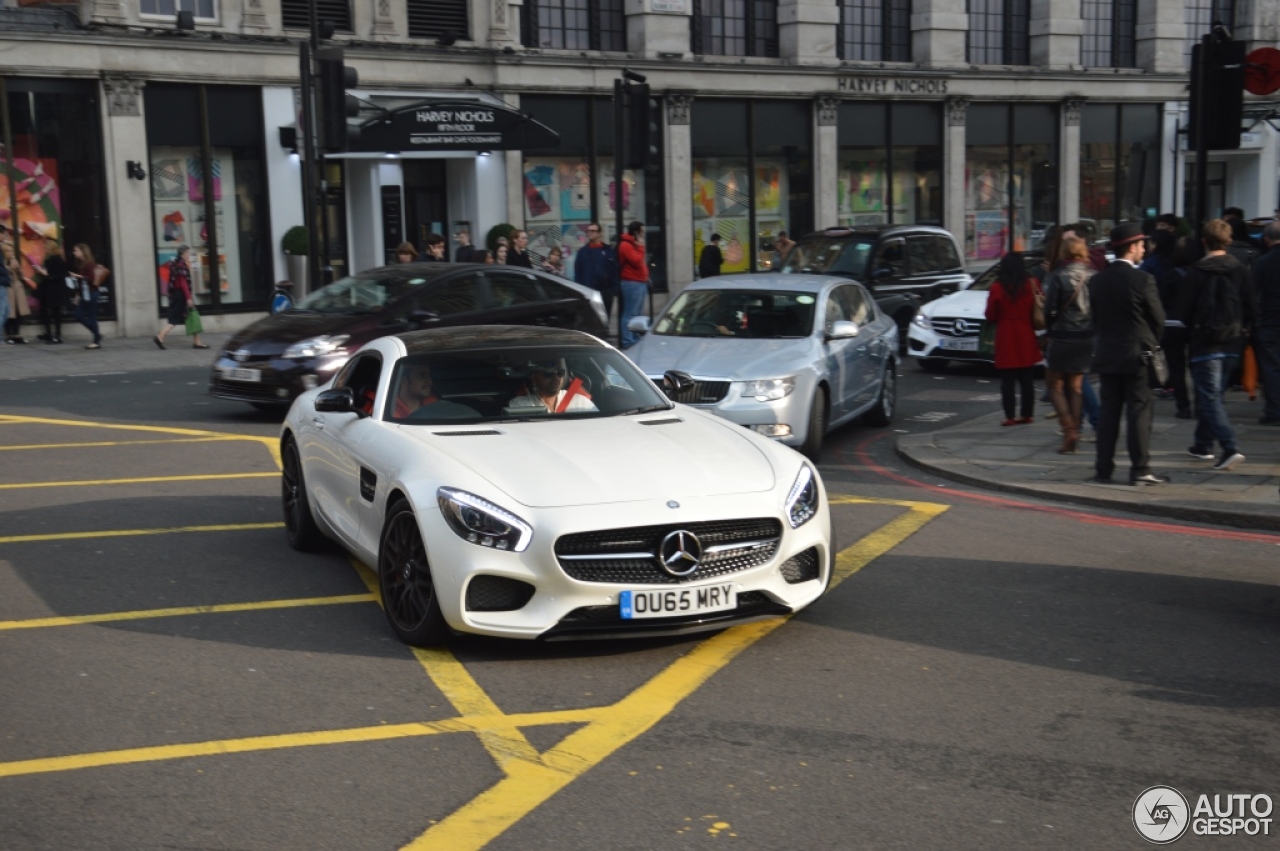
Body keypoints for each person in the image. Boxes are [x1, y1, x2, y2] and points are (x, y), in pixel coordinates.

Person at [1087, 222, 1167, 485]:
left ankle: (1103, 470)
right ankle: (1140, 469)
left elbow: (1096, 319)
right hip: (1137, 356)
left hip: (1107, 354)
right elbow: (1158, 319)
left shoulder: (1097, 281)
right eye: (1142, 245)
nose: (1144, 249)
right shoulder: (1143, 279)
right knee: (1139, 413)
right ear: (1132, 247)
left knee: (1109, 413)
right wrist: (1150, 342)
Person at [1184, 218, 1255, 471]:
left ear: (1204, 241)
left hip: (1205, 344)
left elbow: (1186, 310)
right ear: (1228, 241)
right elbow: (1250, 305)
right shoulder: (1240, 269)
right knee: (1214, 395)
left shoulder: (1195, 271)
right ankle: (1202, 445)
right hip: (1233, 341)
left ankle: (1229, 446)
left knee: (1210, 396)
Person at [1042, 236, 1096, 453]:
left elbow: (1049, 310)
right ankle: (1076, 429)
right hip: (1086, 337)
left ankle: (1069, 430)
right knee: (1075, 386)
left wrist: (1048, 329)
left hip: (1062, 335)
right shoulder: (1093, 275)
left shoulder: (1058, 276)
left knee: (1054, 385)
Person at [984, 252, 1042, 426]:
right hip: (1026, 333)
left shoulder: (997, 287)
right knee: (1027, 379)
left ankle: (1010, 416)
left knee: (1007, 380)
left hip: (1006, 334)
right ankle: (1027, 414)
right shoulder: (1032, 284)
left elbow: (990, 314)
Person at [1154, 236, 1200, 419]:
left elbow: (1161, 301)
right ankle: (1201, 405)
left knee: (1176, 368)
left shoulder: (1169, 275)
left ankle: (1183, 406)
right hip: (1194, 324)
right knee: (1197, 366)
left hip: (1172, 325)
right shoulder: (1199, 274)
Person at [1253, 220, 1280, 426]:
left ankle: (1274, 410)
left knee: (1271, 368)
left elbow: (1253, 294)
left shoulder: (1262, 262)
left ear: (1266, 239)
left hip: (1270, 320)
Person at [154, 244, 207, 350]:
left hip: (177, 294)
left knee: (192, 315)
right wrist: (188, 298)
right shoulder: (181, 266)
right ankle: (160, 337)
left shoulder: (176, 264)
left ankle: (197, 342)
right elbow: (183, 284)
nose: (189, 255)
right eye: (187, 253)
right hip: (181, 295)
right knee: (175, 318)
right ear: (182, 254)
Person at [507, 357, 597, 413]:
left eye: (560, 373)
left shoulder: (581, 402)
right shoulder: (519, 405)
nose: (556, 378)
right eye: (548, 374)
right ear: (534, 378)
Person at [390, 362, 476, 418]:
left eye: (429, 375)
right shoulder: (390, 414)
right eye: (422, 375)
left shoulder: (437, 409)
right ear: (403, 381)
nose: (429, 381)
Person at [573, 222, 618, 323]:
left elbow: (615, 270)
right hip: (589, 292)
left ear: (599, 233)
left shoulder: (608, 251)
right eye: (588, 231)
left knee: (605, 320)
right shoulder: (582, 252)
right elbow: (578, 273)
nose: (590, 233)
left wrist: (613, 289)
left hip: (606, 292)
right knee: (591, 321)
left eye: (593, 231)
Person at [618, 220, 649, 350]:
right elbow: (636, 261)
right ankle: (628, 340)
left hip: (640, 282)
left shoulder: (634, 244)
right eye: (642, 233)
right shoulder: (626, 245)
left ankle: (634, 338)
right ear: (636, 232)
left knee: (636, 314)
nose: (643, 235)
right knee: (630, 313)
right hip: (631, 283)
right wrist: (641, 246)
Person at [70, 243, 105, 350]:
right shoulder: (80, 263)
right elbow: (82, 283)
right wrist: (77, 295)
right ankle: (97, 334)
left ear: (82, 252)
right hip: (85, 294)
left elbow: (90, 278)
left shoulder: (89, 263)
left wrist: (77, 276)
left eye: (76, 250)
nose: (74, 252)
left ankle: (96, 341)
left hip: (91, 293)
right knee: (78, 315)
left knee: (91, 316)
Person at [34, 239, 68, 344]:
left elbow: (60, 275)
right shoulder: (51, 259)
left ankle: (56, 335)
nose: (44, 250)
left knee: (55, 311)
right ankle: (49, 333)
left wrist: (46, 274)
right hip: (49, 288)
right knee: (46, 310)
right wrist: (42, 272)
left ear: (51, 248)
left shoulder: (57, 260)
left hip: (55, 289)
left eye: (46, 248)